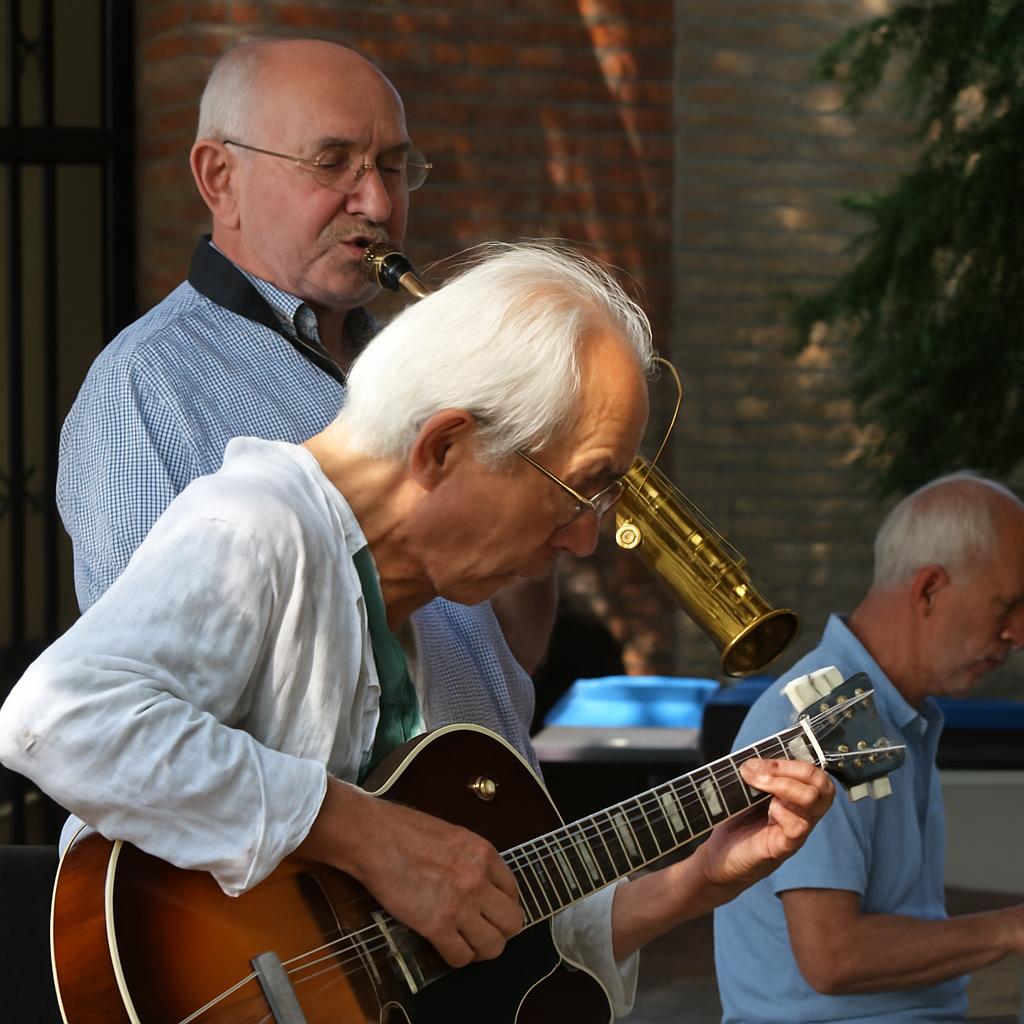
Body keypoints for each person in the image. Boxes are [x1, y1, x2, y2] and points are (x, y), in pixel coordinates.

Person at [1, 243, 835, 1017]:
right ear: (443, 448)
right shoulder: (257, 525)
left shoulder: (439, 606)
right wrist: (365, 834)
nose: (585, 539)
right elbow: (57, 718)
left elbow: (479, 934)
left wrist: (694, 883)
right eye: (579, 490)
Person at [55, 37, 552, 763]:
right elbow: (142, 720)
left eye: (393, 166)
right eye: (332, 162)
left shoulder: (430, 374)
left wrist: (540, 521)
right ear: (220, 177)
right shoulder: (144, 384)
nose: (378, 202)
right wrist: (368, 826)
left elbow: (505, 664)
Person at [714, 472, 1024, 1024]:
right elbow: (833, 958)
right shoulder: (821, 713)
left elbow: (895, 916)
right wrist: (1008, 929)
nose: (1018, 634)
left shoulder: (886, 708)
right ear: (928, 590)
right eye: (1008, 605)